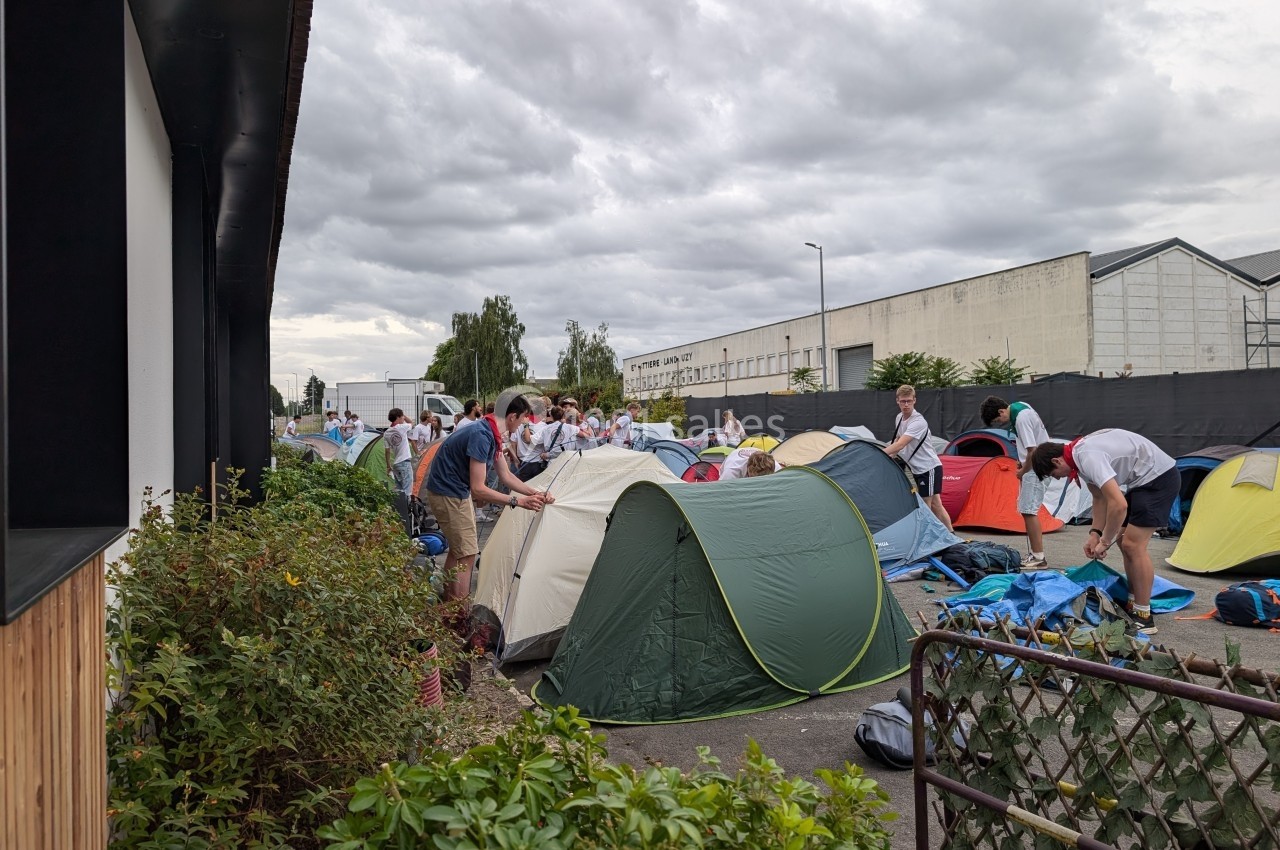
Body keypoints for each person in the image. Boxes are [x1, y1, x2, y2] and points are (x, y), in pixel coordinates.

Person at [1031, 429, 1178, 634]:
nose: (1057, 479)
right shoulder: (1077, 456)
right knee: (1124, 541)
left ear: (1056, 461)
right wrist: (1094, 534)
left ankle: (1144, 617)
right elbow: (1099, 499)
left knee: (1132, 544)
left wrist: (1105, 541)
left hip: (1159, 479)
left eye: (1053, 475)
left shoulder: (1088, 456)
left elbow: (1118, 505)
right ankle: (1134, 602)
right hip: (1141, 481)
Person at [425, 392, 554, 607]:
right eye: (523, 418)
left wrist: (533, 493)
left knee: (459, 551)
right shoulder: (482, 435)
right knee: (467, 554)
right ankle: (459, 612)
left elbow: (506, 475)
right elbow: (479, 489)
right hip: (450, 494)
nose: (524, 423)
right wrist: (517, 502)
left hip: (452, 492)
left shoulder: (490, 431)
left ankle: (449, 606)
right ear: (512, 416)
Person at [981, 396, 1051, 569]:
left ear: (1001, 411)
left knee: (1028, 510)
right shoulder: (1022, 406)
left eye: (998, 420)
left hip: (1036, 468)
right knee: (1027, 509)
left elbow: (1032, 450)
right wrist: (1022, 461)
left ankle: (1039, 557)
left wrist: (1023, 470)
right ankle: (1036, 554)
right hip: (1037, 464)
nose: (1001, 423)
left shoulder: (1020, 419)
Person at [883, 385, 953, 532]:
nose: (906, 404)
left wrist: (880, 453)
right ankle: (952, 535)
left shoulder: (918, 422)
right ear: (897, 401)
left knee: (925, 506)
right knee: (936, 505)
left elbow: (902, 443)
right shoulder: (899, 418)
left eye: (909, 401)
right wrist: (889, 456)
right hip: (917, 468)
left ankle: (925, 540)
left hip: (929, 468)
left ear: (915, 400)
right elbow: (898, 439)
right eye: (903, 401)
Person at [383, 408, 414, 495]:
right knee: (408, 489)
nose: (403, 419)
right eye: (402, 417)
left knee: (399, 489)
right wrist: (405, 416)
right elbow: (412, 423)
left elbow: (387, 451)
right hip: (405, 462)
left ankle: (398, 507)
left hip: (396, 464)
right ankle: (407, 508)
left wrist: (388, 466)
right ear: (398, 417)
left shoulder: (386, 433)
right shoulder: (402, 427)